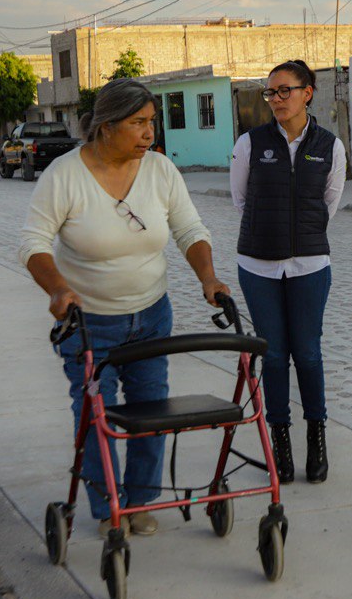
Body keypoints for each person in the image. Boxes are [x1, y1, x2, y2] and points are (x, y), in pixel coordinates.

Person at [19, 79, 230, 538]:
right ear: (106, 126)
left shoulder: (159, 170)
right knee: (94, 414)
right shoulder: (65, 175)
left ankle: (138, 502)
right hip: (89, 321)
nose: (149, 133)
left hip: (152, 313)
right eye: (138, 124)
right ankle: (106, 503)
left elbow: (189, 229)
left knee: (150, 409)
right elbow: (33, 243)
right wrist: (57, 289)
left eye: (151, 123)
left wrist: (208, 278)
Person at [230, 59, 346, 484]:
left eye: (284, 91)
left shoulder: (330, 146)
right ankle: (280, 441)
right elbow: (241, 200)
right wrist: (271, 236)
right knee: (274, 355)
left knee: (308, 353)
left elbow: (328, 204)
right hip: (258, 266)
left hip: (310, 266)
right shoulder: (250, 142)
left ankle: (316, 437)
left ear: (307, 92)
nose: (276, 99)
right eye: (271, 92)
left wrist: (302, 236)